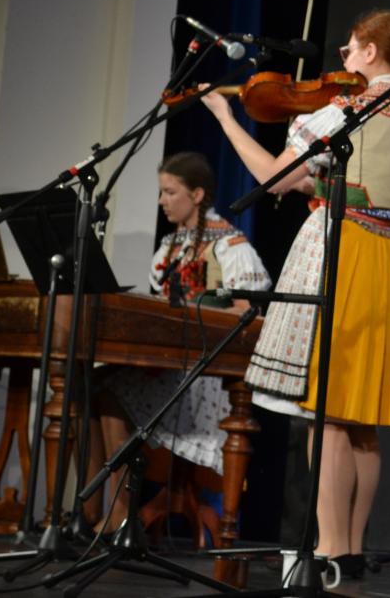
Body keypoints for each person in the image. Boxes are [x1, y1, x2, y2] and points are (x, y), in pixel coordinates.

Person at [202, 9, 390, 578]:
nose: (344, 61)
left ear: (373, 51)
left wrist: (226, 119)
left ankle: (328, 549)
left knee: (328, 414)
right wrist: (319, 177)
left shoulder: (347, 110)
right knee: (362, 421)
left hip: (345, 249)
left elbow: (275, 178)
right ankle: (350, 548)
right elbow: (360, 180)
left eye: (351, 50)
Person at [96, 151, 270, 532]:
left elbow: (248, 315)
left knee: (110, 391)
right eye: (161, 192)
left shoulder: (230, 246)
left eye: (170, 192)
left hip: (209, 375)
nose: (162, 201)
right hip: (171, 364)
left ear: (197, 194)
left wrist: (199, 316)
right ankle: (101, 512)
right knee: (95, 384)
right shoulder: (170, 247)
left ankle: (120, 510)